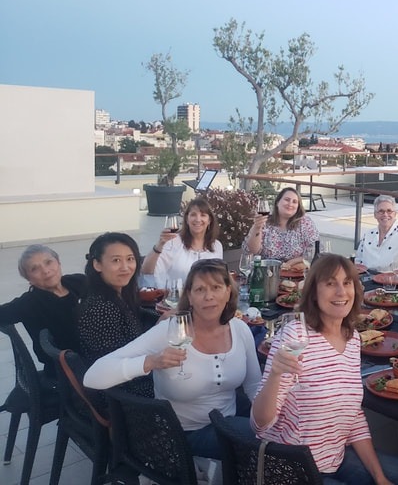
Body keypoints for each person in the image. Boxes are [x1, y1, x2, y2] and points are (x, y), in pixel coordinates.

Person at [251, 254, 398, 485]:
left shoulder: (353, 339)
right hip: (291, 468)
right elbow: (259, 424)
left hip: (334, 459)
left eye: (347, 283)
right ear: (313, 292)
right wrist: (275, 375)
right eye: (330, 283)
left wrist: (380, 478)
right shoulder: (296, 336)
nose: (341, 292)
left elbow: (353, 416)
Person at [84, 258, 261, 460]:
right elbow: (92, 377)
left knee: (277, 430)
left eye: (216, 287)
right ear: (189, 296)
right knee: (263, 442)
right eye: (200, 289)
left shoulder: (240, 329)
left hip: (228, 419)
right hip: (183, 434)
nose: (209, 296)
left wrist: (266, 419)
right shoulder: (170, 333)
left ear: (228, 292)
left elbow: (254, 384)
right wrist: (151, 362)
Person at [77, 232, 154, 397]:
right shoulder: (101, 308)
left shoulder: (119, 295)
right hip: (121, 394)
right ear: (97, 264)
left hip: (131, 378)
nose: (125, 267)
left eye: (130, 259)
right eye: (116, 260)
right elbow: (114, 366)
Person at [0, 245, 87, 376]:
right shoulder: (28, 303)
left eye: (48, 262)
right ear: (29, 279)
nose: (45, 271)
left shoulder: (79, 281)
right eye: (34, 269)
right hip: (65, 370)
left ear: (58, 263)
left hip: (98, 353)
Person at [141, 197, 223, 286]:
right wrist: (159, 245)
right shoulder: (173, 243)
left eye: (203, 215)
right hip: (177, 294)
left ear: (209, 220)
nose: (198, 219)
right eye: (193, 215)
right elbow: (147, 271)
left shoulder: (216, 246)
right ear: (187, 219)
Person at [244, 187, 319, 270]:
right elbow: (253, 250)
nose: (290, 204)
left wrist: (291, 262)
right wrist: (257, 227)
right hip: (265, 272)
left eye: (294, 202)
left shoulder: (305, 223)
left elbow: (316, 251)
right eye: (287, 200)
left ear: (298, 207)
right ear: (277, 202)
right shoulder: (265, 222)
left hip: (294, 272)